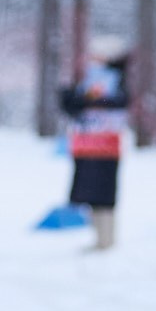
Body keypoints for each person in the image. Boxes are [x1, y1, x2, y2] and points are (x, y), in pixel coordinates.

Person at [60, 53, 131, 250]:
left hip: (106, 148)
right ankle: (99, 239)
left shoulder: (118, 81)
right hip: (85, 147)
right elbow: (70, 104)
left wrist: (89, 100)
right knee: (89, 195)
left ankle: (107, 240)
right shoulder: (82, 79)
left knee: (105, 196)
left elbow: (119, 102)